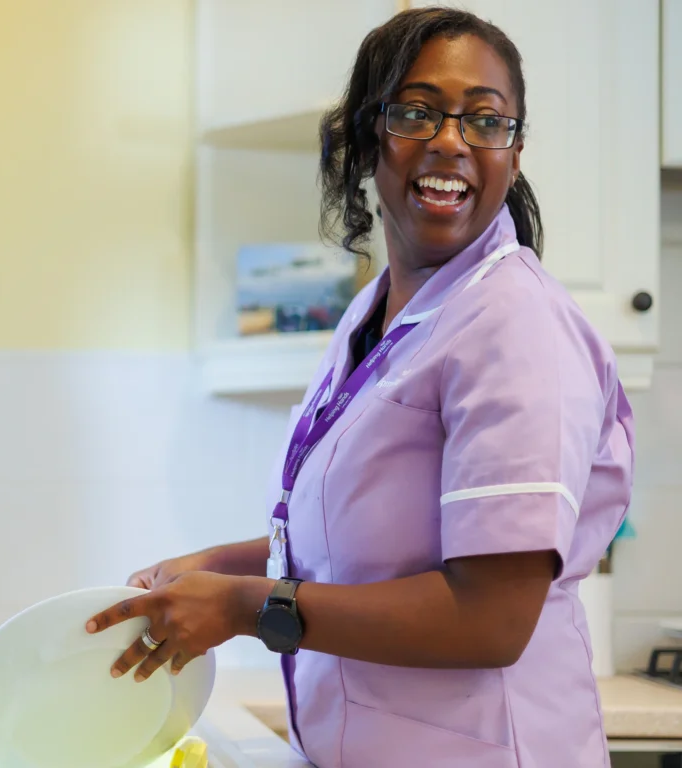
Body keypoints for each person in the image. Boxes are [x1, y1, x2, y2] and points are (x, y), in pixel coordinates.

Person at [85, 7, 635, 767]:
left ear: (513, 153)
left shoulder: (517, 326)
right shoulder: (378, 311)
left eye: (486, 120)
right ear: (368, 135)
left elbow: (491, 619)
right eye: (416, 111)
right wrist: (218, 567)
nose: (451, 140)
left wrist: (245, 605)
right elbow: (360, 549)